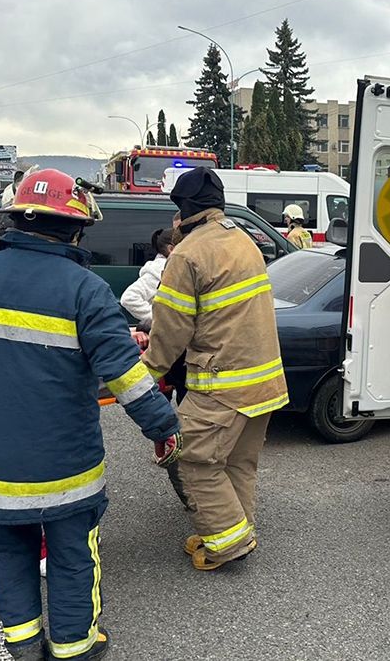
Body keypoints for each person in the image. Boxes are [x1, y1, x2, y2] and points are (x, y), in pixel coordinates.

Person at [0, 169, 181, 660]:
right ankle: (75, 647)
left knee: (8, 554)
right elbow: (126, 376)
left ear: (13, 222)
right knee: (72, 558)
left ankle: (24, 645)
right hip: (66, 466)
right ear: (75, 230)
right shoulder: (85, 289)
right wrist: (163, 425)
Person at [142, 167, 288, 571]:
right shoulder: (244, 241)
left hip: (222, 383)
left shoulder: (188, 253)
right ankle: (236, 530)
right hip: (264, 382)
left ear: (184, 210)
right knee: (237, 462)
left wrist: (147, 372)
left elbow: (172, 326)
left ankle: (226, 545)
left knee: (193, 460)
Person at [120, 227, 174, 326]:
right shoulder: (159, 270)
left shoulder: (174, 267)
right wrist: (159, 318)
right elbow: (129, 298)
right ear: (171, 249)